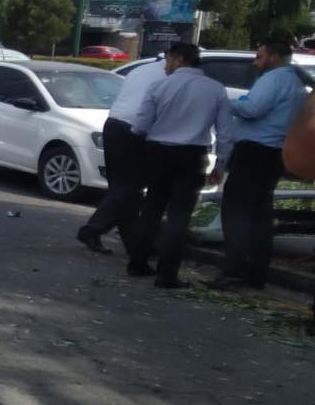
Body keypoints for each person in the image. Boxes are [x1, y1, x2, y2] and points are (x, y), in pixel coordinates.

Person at [128, 42, 232, 288]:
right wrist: (221, 164)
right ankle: (167, 275)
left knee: (152, 209)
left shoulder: (159, 86)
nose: (165, 66)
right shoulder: (216, 90)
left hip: (159, 152)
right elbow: (226, 133)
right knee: (179, 215)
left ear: (180, 59)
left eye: (168, 60)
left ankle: (137, 263)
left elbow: (140, 125)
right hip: (192, 155)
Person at [208, 41, 307, 290]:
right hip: (275, 152)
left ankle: (234, 271)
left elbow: (253, 109)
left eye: (259, 56)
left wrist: (224, 102)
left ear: (273, 58)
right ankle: (256, 273)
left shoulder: (273, 79)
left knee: (236, 212)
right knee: (260, 214)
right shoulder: (297, 84)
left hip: (254, 151)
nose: (255, 62)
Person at [76, 57, 167, 254]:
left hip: (114, 125)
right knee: (131, 187)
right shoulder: (166, 76)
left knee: (122, 188)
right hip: (134, 129)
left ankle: (135, 243)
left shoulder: (142, 70)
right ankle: (93, 229)